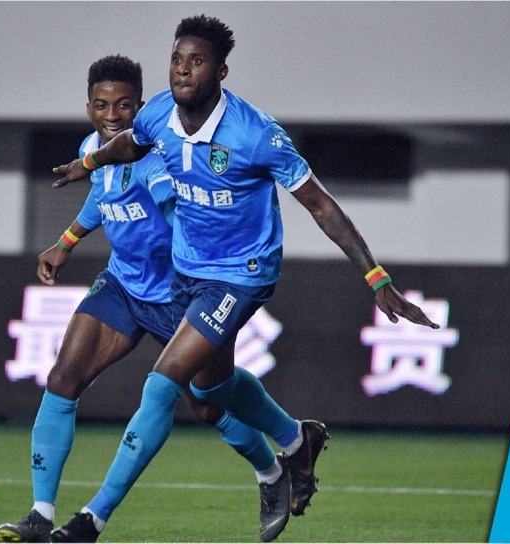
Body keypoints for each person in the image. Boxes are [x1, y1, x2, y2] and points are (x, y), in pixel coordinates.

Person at [46, 14, 440, 543]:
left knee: (162, 383)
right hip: (188, 271)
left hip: (241, 276)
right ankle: (295, 440)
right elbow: (132, 145)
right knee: (211, 393)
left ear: (221, 71)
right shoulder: (158, 113)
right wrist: (91, 162)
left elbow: (321, 205)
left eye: (197, 61)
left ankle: (90, 520)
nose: (183, 70)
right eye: (176, 59)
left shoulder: (256, 134)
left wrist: (376, 277)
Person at [0, 54, 283, 543]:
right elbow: (101, 195)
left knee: (209, 405)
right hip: (123, 285)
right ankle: (42, 516)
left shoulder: (154, 159)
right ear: (88, 107)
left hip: (177, 295)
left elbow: (177, 209)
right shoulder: (93, 148)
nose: (112, 115)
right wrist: (67, 241)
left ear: (140, 106)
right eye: (102, 105)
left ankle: (271, 471)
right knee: (63, 378)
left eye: (124, 105)